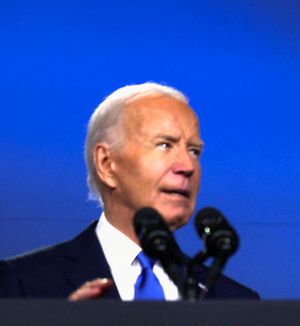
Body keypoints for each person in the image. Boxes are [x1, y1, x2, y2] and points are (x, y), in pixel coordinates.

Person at [0, 83, 258, 300]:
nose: (188, 166)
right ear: (107, 164)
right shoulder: (23, 284)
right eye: (165, 145)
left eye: (194, 151)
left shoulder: (232, 301)